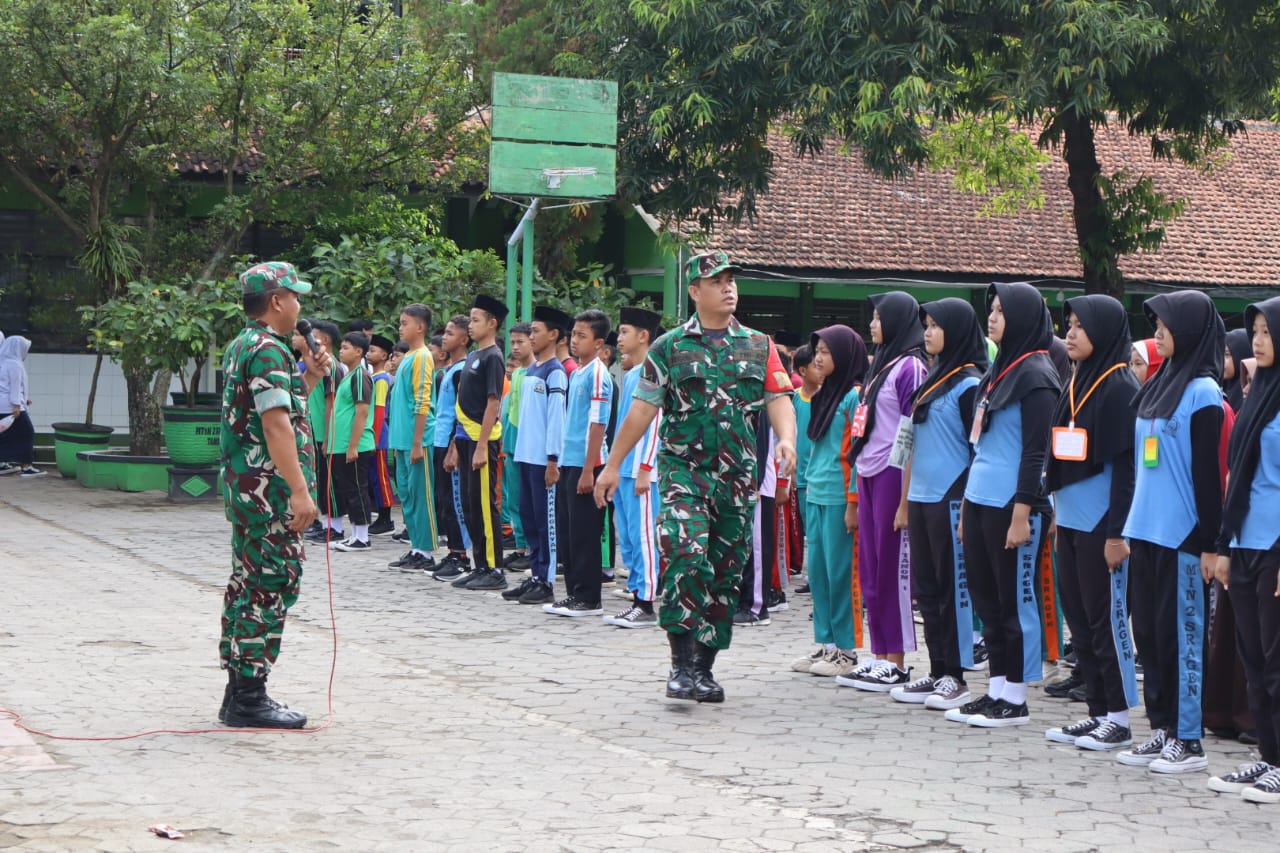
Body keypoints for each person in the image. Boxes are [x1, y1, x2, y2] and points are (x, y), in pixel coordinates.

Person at [596, 250, 797, 704]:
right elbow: (642, 410)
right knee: (686, 556)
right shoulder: (670, 348)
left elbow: (779, 398)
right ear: (695, 291)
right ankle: (680, 665)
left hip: (737, 479)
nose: (728, 288)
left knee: (725, 572)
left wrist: (787, 440)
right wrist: (612, 465)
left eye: (732, 280)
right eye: (717, 280)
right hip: (685, 472)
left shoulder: (758, 345)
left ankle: (705, 669)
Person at [1117, 290, 1224, 773]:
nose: (1157, 332)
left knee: (1182, 635)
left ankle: (1189, 738)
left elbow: (1207, 475)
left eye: (1164, 324)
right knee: (1152, 636)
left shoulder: (1203, 392)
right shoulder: (1159, 384)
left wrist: (1209, 543)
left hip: (1182, 535)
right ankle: (1161, 728)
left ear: (1189, 330)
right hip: (1145, 528)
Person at [218, 260, 328, 729]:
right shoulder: (267, 350)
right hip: (270, 495)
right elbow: (274, 425)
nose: (300, 305)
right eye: (296, 296)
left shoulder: (250, 344)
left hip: (250, 491)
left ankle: (239, 692)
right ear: (278, 301)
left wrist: (314, 377)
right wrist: (301, 494)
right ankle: (249, 697)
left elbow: (279, 408)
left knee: (249, 583)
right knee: (271, 583)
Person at [946, 282, 1060, 729]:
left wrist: (1022, 513)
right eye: (990, 310)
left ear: (1024, 317)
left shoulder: (1037, 375)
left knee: (1010, 603)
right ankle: (995, 689)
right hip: (979, 499)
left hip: (1011, 505)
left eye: (1000, 311)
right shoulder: (1000, 370)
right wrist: (968, 510)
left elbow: (1036, 453)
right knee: (986, 601)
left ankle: (1015, 698)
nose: (991, 317)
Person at [1042, 296, 1140, 751]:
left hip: (1103, 525)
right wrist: (1060, 515)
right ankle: (1097, 712)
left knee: (1105, 622)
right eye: (1070, 325)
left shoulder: (1119, 385)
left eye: (1082, 326)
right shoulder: (1078, 379)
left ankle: (1119, 717)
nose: (1072, 334)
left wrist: (1118, 533)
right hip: (1072, 521)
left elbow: (1125, 470)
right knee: (1080, 621)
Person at [891, 298, 987, 710]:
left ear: (959, 330)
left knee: (952, 590)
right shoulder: (931, 380)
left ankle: (957, 676)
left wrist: (967, 503)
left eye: (935, 326)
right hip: (922, 498)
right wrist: (904, 501)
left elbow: (978, 449)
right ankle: (936, 669)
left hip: (951, 498)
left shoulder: (969, 384)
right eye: (925, 325)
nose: (927, 332)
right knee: (927, 591)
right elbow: (910, 445)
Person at [1212, 295, 1280, 803]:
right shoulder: (1257, 396)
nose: (1257, 341)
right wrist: (1223, 546)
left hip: (1276, 545)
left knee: (1277, 662)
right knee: (1252, 659)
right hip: (1244, 542)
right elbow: (1236, 481)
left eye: (1266, 331)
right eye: (1253, 331)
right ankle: (1268, 759)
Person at [845, 292, 929, 692]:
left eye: (879, 318)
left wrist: (906, 498)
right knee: (872, 567)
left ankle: (896, 659)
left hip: (895, 474)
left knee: (893, 568)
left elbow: (914, 431)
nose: (873, 325)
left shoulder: (911, 367)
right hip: (869, 471)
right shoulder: (881, 364)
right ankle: (878, 655)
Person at [790, 325, 865, 678]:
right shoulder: (822, 395)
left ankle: (846, 649)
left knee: (839, 574)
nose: (818, 358)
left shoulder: (854, 397)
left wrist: (853, 502)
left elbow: (855, 452)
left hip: (838, 496)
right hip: (814, 492)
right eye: (816, 350)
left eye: (826, 352)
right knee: (817, 573)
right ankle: (827, 643)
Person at [544, 309, 614, 616]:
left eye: (582, 336)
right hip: (570, 462)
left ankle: (589, 597)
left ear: (599, 343)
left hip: (590, 463)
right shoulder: (578, 372)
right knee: (569, 531)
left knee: (585, 533)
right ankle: (573, 593)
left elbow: (598, 424)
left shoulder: (599, 374)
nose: (574, 341)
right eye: (573, 334)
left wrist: (589, 470)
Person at [503, 306, 571, 606]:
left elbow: (556, 419)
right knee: (529, 519)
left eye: (536, 331)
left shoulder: (555, 372)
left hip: (544, 461)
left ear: (554, 335)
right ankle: (534, 574)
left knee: (546, 523)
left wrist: (553, 459)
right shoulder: (531, 370)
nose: (530, 337)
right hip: (525, 456)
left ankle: (546, 581)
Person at [604, 306, 663, 628]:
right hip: (624, 469)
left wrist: (645, 467)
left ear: (643, 337)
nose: (620, 338)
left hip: (642, 470)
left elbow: (654, 423)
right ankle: (637, 590)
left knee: (644, 538)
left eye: (625, 332)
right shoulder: (628, 375)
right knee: (626, 537)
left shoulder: (652, 373)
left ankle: (647, 602)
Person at [448, 295, 509, 591]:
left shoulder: (493, 357)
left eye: (475, 320)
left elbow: (492, 403)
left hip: (482, 439)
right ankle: (479, 564)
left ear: (492, 323)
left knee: (486, 505)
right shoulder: (473, 356)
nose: (470, 325)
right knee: (471, 505)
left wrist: (483, 445)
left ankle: (495, 569)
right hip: (465, 438)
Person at [385, 305, 437, 571]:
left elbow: (423, 400)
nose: (400, 327)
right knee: (406, 495)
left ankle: (426, 550)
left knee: (420, 495)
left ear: (420, 327)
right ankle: (416, 547)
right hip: (402, 440)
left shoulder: (423, 357)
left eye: (405, 323)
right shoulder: (408, 357)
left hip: (417, 441)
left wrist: (418, 442)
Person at [430, 316, 474, 580]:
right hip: (439, 438)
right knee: (443, 499)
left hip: (450, 441)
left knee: (454, 500)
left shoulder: (462, 371)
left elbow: (461, 412)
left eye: (450, 333)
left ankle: (461, 556)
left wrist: (455, 447)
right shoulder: (450, 369)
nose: (444, 337)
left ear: (464, 339)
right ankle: (453, 551)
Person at [326, 332, 377, 551]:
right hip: (341, 444)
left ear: (359, 351)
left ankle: (363, 537)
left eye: (346, 347)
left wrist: (353, 445)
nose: (341, 350)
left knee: (358, 489)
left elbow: (362, 411)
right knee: (348, 489)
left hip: (355, 444)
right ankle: (355, 533)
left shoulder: (360, 375)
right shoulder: (348, 375)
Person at [501, 323, 534, 570]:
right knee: (513, 498)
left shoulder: (535, 372)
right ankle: (520, 546)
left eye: (520, 341)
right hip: (511, 441)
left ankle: (531, 548)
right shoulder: (517, 373)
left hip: (528, 444)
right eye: (512, 342)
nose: (515, 347)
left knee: (527, 499)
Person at [365, 333, 397, 536]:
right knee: (373, 477)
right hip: (371, 433)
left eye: (373, 350)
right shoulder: (373, 377)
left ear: (384, 355)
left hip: (378, 435)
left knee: (381, 478)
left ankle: (386, 518)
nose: (369, 354)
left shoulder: (382, 380)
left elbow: (379, 410)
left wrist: (374, 439)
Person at [0, 336, 43, 477]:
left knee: (6, 436)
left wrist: (24, 400)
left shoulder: (5, 362)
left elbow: (5, 386)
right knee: (27, 433)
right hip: (11, 406)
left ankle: (2, 463)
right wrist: (17, 405)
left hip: (5, 404)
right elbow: (14, 387)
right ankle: (26, 466)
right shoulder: (14, 364)